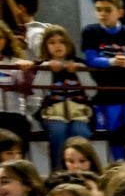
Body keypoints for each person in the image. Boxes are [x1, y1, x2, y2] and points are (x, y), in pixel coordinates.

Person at [82, 0, 125, 160]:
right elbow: (91, 59)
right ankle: (120, 163)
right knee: (115, 129)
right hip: (108, 89)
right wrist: (111, 62)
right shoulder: (90, 31)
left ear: (120, 12)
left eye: (107, 10)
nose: (102, 14)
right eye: (99, 10)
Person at [34, 28, 93, 163]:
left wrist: (80, 71)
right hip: (52, 113)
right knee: (58, 130)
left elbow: (92, 92)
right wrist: (47, 68)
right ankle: (58, 168)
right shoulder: (43, 65)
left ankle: (83, 166)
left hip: (78, 113)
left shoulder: (79, 63)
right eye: (52, 42)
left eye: (61, 42)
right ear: (45, 46)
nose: (57, 46)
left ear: (68, 44)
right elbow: (39, 92)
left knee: (81, 131)